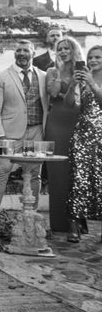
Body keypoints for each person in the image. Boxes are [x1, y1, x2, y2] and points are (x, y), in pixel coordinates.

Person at [0, 40, 47, 209]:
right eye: (18, 50)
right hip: (8, 135)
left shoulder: (43, 76)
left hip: (37, 132)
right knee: (1, 172)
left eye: (25, 50)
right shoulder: (1, 76)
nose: (21, 53)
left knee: (34, 174)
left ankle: (32, 214)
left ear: (33, 53)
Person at [43, 37, 83, 232]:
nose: (64, 51)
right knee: (57, 173)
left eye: (67, 48)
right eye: (60, 49)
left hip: (78, 123)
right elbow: (53, 93)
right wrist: (59, 70)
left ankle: (76, 222)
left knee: (76, 172)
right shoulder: (52, 71)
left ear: (74, 50)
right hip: (56, 124)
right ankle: (58, 224)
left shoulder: (83, 71)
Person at [67, 45, 102, 243]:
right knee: (78, 178)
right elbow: (70, 104)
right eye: (91, 57)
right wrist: (73, 85)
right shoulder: (82, 79)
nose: (93, 60)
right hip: (82, 134)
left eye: (98, 57)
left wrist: (92, 83)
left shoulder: (93, 80)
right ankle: (74, 226)